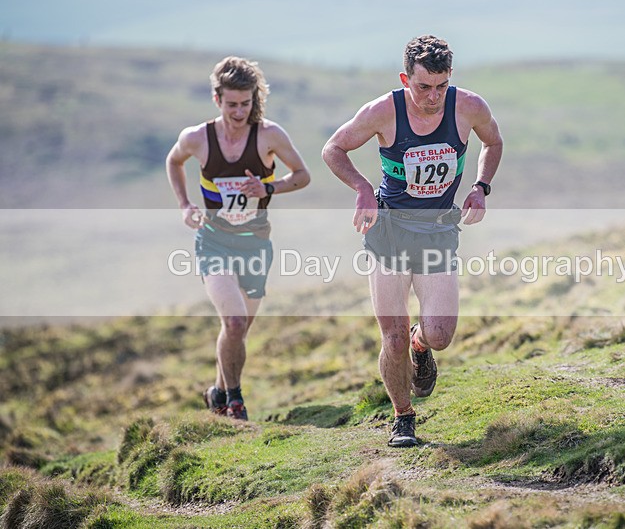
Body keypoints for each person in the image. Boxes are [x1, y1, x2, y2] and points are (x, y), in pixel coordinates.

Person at [322, 35, 502, 446]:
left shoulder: (469, 107)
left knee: (439, 334)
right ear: (406, 79)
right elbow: (333, 149)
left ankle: (423, 347)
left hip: (437, 230)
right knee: (394, 335)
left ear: (450, 77)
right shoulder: (382, 111)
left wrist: (480, 187)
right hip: (389, 230)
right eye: (423, 87)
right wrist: (362, 188)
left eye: (441, 86)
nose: (433, 97)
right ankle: (403, 417)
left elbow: (493, 141)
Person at [166, 56, 310, 420]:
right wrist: (185, 205)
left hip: (255, 243)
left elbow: (302, 175)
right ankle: (235, 401)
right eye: (231, 104)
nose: (239, 112)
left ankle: (217, 392)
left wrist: (267, 187)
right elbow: (174, 161)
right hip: (214, 241)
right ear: (217, 99)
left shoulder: (269, 135)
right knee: (232, 322)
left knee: (239, 329)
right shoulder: (197, 138)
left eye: (246, 103)